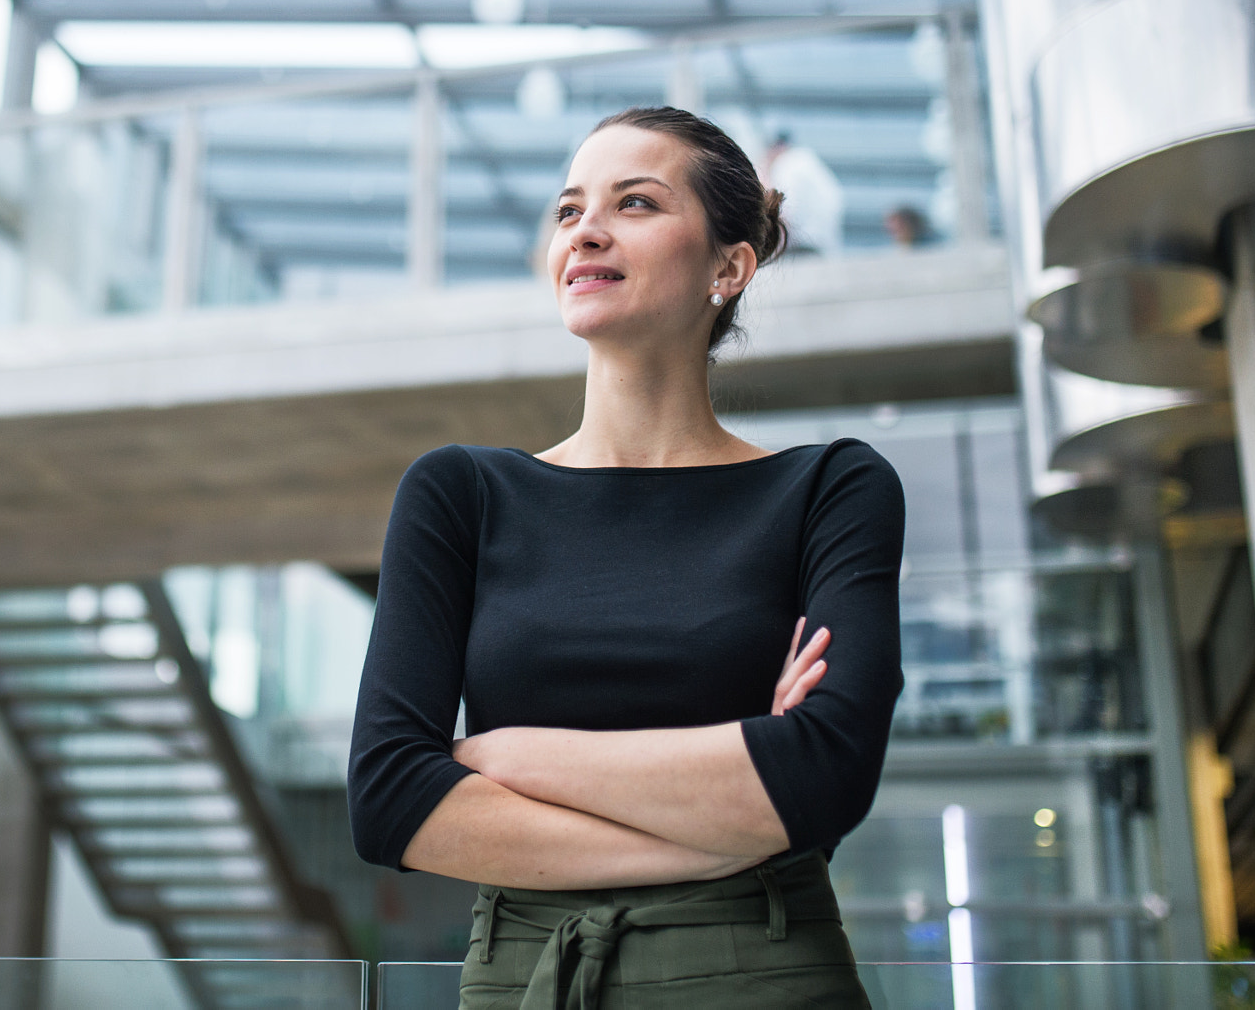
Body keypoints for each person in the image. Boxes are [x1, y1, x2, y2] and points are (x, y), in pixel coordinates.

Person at [347, 106, 905, 1009]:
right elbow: (388, 797)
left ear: (730, 266)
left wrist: (504, 753)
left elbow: (826, 770)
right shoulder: (460, 494)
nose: (586, 231)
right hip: (530, 975)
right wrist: (737, 819)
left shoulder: (830, 488)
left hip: (761, 975)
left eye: (635, 202)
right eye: (570, 211)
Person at [763, 131, 845, 257]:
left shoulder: (785, 165)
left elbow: (785, 210)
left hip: (803, 244)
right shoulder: (807, 159)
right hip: (824, 241)